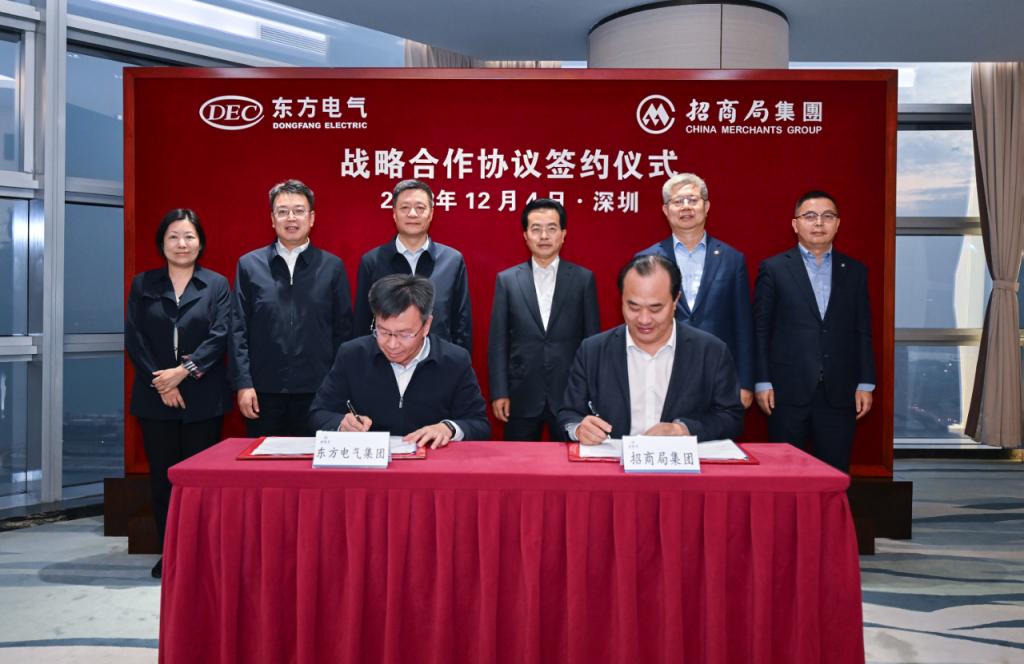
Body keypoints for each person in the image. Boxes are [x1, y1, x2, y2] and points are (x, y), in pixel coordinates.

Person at [125, 209, 231, 578]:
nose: (181, 244)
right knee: (163, 480)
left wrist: (182, 373)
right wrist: (162, 382)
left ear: (200, 242)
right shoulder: (143, 284)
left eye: (189, 236)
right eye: (173, 236)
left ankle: (201, 554)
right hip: (155, 399)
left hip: (202, 398)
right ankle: (170, 553)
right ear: (162, 243)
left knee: (200, 481)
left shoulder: (216, 285)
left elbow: (220, 335)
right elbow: (135, 338)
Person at [558, 255, 744, 444]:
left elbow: (731, 418)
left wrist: (683, 429)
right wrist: (578, 429)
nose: (644, 319)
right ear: (621, 299)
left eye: (655, 309)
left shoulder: (711, 351)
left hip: (680, 461)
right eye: (633, 307)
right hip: (614, 460)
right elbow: (569, 414)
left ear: (675, 301)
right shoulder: (593, 351)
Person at [753, 190, 875, 472]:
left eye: (827, 216)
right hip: (786, 391)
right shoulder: (774, 268)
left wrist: (866, 383)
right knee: (785, 475)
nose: (819, 223)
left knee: (834, 473)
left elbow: (863, 330)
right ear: (795, 224)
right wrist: (762, 381)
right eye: (810, 216)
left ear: (837, 224)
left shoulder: (855, 271)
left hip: (840, 391)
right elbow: (760, 330)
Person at [230, 179, 353, 437]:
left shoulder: (332, 266)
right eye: (283, 211)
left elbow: (343, 332)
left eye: (298, 211)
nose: (291, 218)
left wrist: (338, 385)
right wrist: (244, 384)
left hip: (318, 391)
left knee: (313, 461)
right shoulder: (249, 265)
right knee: (264, 460)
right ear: (272, 219)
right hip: (263, 392)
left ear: (311, 218)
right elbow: (238, 329)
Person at [309, 274, 489, 447]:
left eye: (404, 334)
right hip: (371, 463)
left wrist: (448, 428)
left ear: (426, 325)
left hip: (430, 462)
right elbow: (318, 414)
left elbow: (479, 424)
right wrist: (341, 423)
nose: (392, 344)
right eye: (383, 332)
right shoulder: (352, 355)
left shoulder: (454, 361)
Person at [637, 172, 754, 409]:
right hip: (661, 373)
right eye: (678, 201)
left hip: (718, 373)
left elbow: (743, 325)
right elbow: (639, 321)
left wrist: (745, 383)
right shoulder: (647, 259)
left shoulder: (732, 259)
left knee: (716, 432)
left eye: (692, 200)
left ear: (706, 206)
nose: (686, 207)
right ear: (665, 210)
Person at [488, 199, 601, 441]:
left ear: (563, 234)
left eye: (551, 228)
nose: (543, 236)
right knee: (518, 461)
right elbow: (498, 341)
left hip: (570, 394)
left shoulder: (583, 279)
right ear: (525, 236)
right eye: (536, 229)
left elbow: (592, 342)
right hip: (521, 393)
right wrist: (499, 392)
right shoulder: (507, 280)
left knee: (571, 461)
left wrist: (590, 391)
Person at [353, 179, 472, 351]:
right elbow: (362, 325)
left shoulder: (452, 261)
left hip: (439, 362)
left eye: (420, 208)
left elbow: (462, 326)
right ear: (394, 214)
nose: (412, 214)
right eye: (405, 207)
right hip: (386, 361)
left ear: (431, 214)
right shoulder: (372, 261)